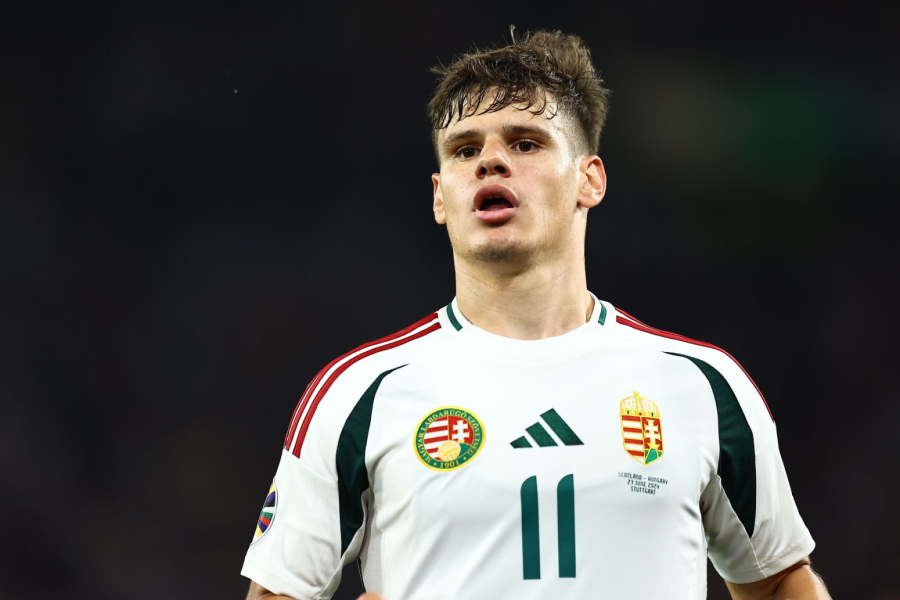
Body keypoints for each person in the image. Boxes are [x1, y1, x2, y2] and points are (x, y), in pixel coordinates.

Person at [241, 29, 830, 600]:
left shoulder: (702, 385)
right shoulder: (359, 393)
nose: (490, 161)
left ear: (589, 180)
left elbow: (778, 581)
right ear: (440, 196)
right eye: (465, 150)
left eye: (525, 143)